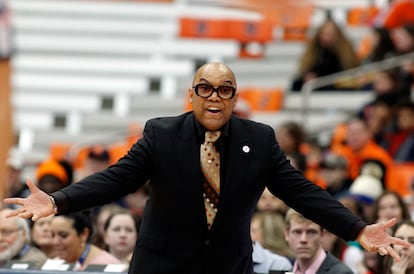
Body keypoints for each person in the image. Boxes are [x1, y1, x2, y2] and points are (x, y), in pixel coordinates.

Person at [4, 62, 410, 274]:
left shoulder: (261, 138)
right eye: (205, 89)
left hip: (227, 267)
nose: (214, 97)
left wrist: (358, 229)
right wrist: (58, 201)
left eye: (225, 90)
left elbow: (301, 191)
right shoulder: (161, 135)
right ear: (191, 95)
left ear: (234, 99)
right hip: (161, 266)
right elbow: (118, 178)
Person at [284, 208, 353, 274]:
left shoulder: (341, 272)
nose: (303, 239)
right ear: (287, 234)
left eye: (311, 232)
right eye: (297, 232)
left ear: (322, 234)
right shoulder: (285, 269)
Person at [50, 212, 121, 271]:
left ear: (84, 234)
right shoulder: (54, 264)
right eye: (52, 235)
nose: (55, 242)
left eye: (63, 235)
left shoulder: (109, 266)